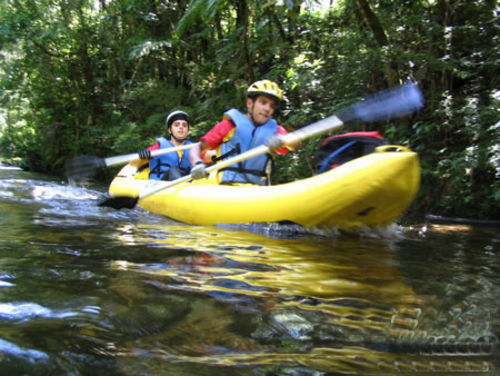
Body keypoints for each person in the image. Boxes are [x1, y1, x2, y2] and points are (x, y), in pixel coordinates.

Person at [189, 80, 297, 185]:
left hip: (258, 190)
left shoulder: (275, 131)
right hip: (228, 188)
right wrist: (197, 164)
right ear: (250, 103)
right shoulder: (229, 126)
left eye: (272, 106)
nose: (267, 109)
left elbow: (295, 144)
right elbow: (197, 148)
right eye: (263, 102)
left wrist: (284, 140)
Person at [138, 110, 193, 181]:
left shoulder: (194, 148)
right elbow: (135, 163)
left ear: (188, 130)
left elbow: (207, 156)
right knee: (173, 170)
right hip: (161, 187)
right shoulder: (158, 147)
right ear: (170, 130)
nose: (181, 127)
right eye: (177, 125)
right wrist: (142, 156)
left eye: (184, 125)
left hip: (186, 188)